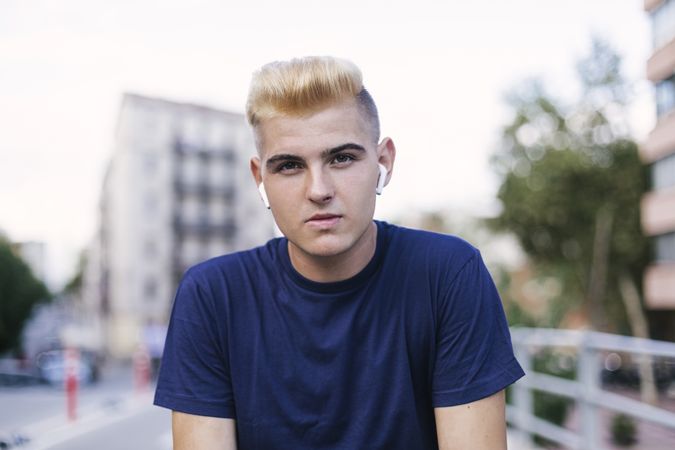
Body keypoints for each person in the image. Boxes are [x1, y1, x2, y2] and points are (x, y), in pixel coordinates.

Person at [154, 56, 525, 450]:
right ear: (259, 177)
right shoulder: (213, 295)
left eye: (342, 158)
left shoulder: (447, 275)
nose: (319, 190)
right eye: (290, 166)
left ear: (384, 162)